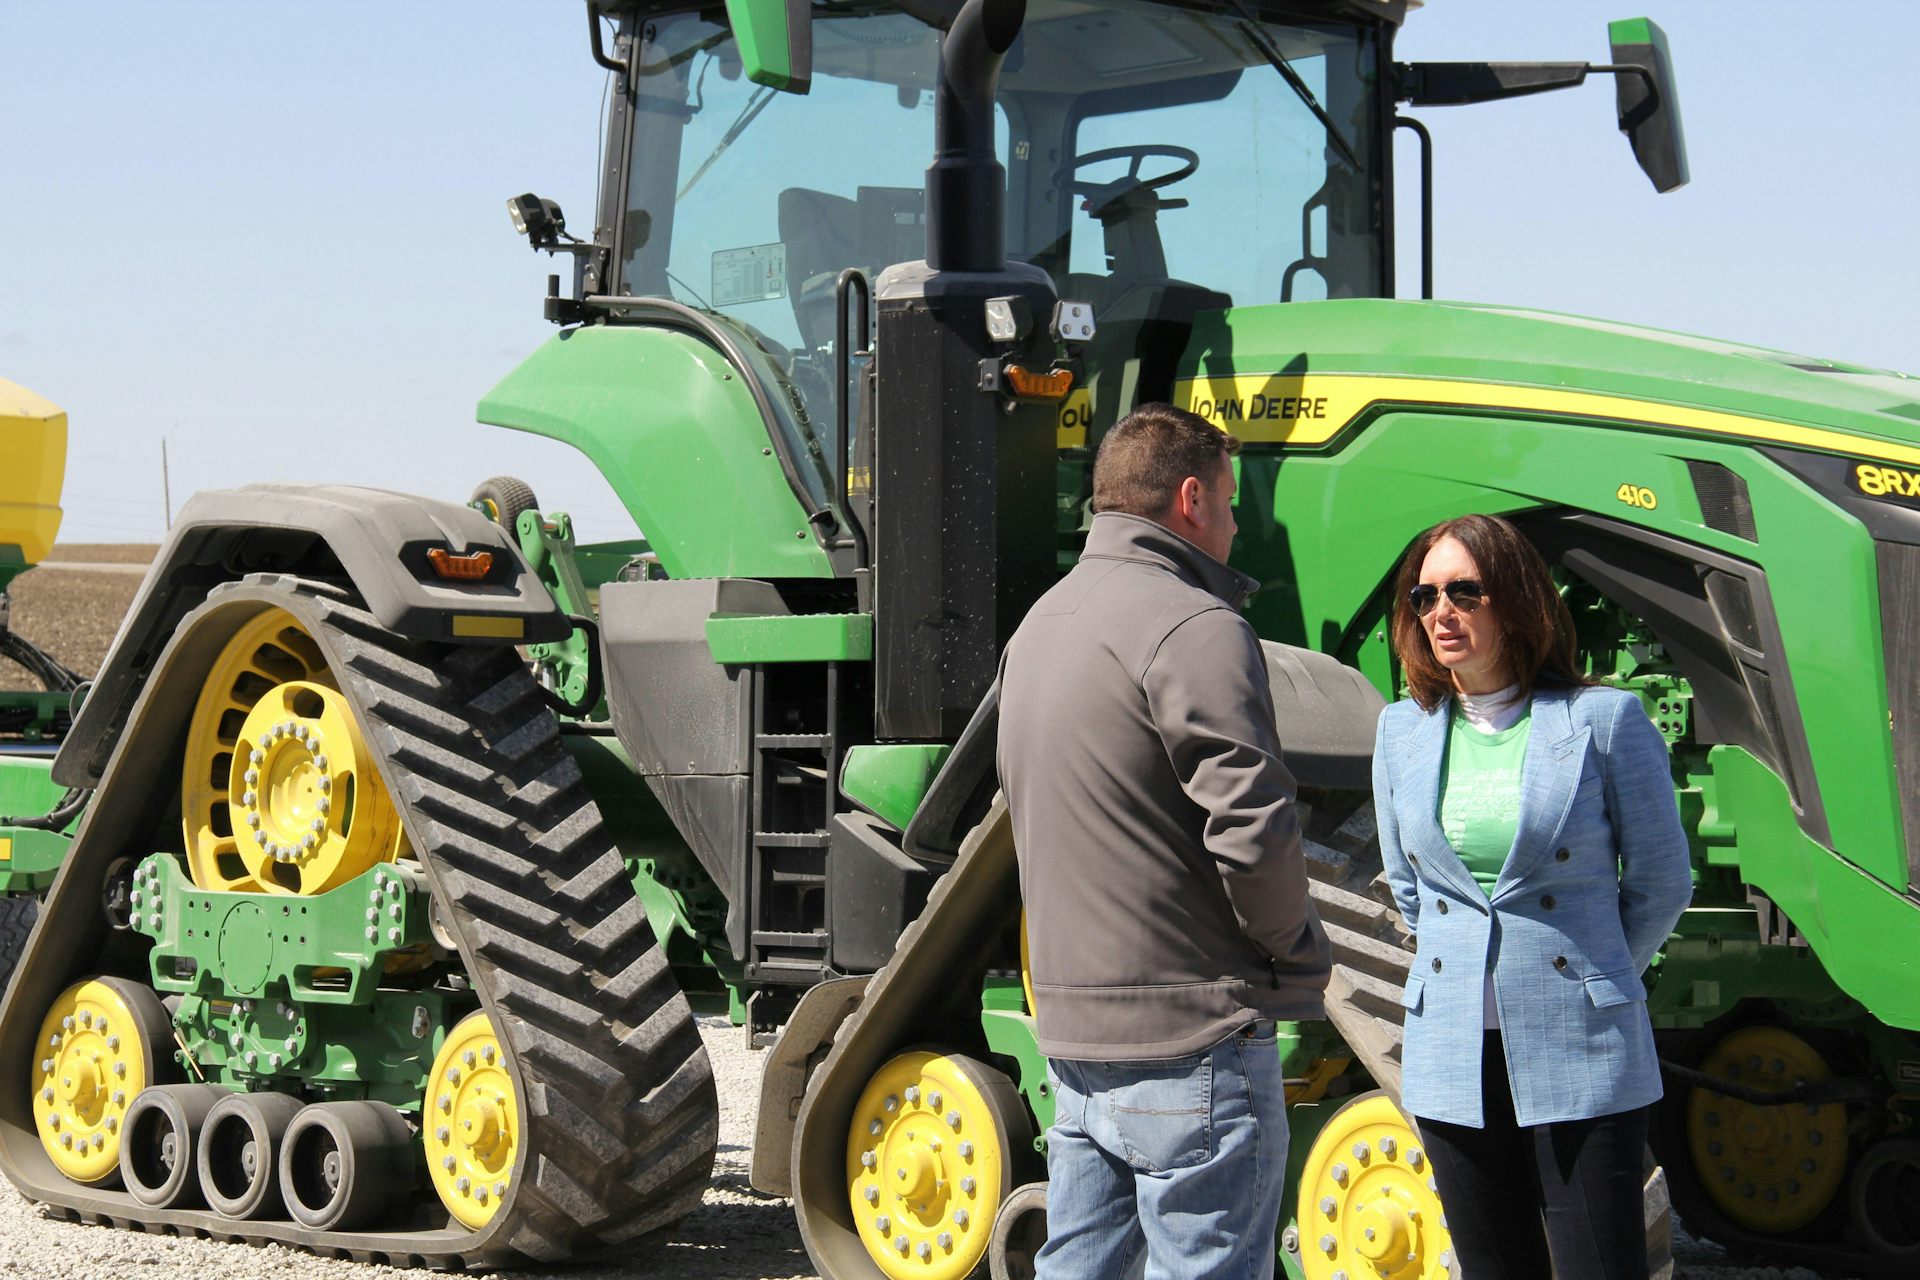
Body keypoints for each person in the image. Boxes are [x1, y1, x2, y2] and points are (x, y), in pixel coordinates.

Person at [997, 402, 1330, 1280]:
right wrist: (1294, 952)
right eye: (1228, 501)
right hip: (1193, 1035)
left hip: (1075, 1036)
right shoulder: (1195, 626)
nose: (1232, 523)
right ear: (1190, 499)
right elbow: (1253, 826)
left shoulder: (1038, 628)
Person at [1372, 513, 1694, 1280]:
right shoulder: (1399, 733)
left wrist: (1594, 973)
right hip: (1451, 1052)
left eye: (1462, 591)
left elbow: (1661, 881)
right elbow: (1413, 889)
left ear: (1514, 599)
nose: (1439, 612)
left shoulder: (1602, 721)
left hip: (1580, 1046)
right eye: (1423, 596)